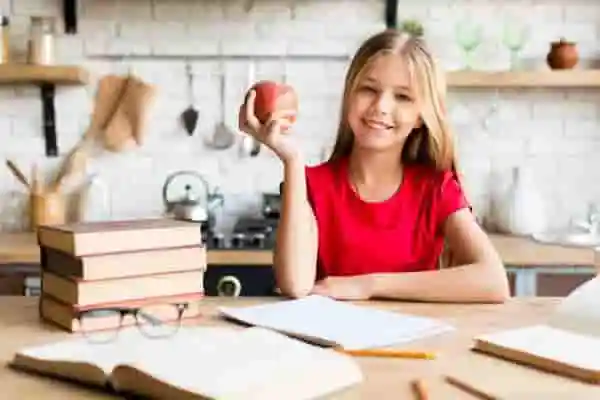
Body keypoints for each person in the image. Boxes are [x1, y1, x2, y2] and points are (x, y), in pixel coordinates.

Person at [238, 29, 510, 303]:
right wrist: (292, 160)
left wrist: (368, 285)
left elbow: (494, 281)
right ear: (349, 97)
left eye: (402, 97)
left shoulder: (437, 189)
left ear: (420, 116)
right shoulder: (311, 184)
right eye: (369, 89)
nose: (381, 106)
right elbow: (295, 285)